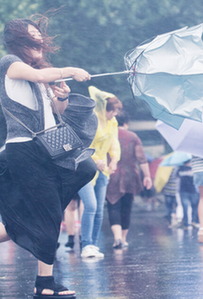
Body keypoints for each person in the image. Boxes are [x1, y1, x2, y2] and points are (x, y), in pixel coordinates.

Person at [0, 16, 96, 299]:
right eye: (32, 39)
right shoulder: (9, 63)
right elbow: (40, 76)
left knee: (79, 175)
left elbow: (56, 113)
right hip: (24, 149)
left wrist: (62, 96)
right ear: (19, 42)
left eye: (40, 39)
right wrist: (70, 70)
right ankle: (44, 283)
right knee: (48, 214)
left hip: (46, 148)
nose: (38, 43)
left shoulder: (40, 73)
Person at [78, 86, 122, 258]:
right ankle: (86, 244)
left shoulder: (112, 122)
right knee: (90, 205)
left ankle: (93, 244)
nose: (115, 114)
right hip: (87, 166)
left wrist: (115, 160)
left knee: (99, 210)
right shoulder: (91, 120)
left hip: (103, 170)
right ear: (105, 109)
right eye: (113, 111)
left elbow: (114, 141)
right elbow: (83, 144)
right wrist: (96, 160)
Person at [105, 111, 152, 248]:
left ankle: (117, 238)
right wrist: (147, 176)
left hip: (111, 175)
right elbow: (142, 159)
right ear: (126, 123)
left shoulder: (108, 135)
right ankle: (123, 239)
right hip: (130, 177)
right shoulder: (133, 137)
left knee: (113, 206)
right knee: (126, 208)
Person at [177, 161, 200, 229]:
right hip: (192, 191)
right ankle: (194, 221)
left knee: (186, 207)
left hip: (184, 191)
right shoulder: (194, 169)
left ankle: (186, 223)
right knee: (194, 207)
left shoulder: (180, 169)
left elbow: (177, 176)